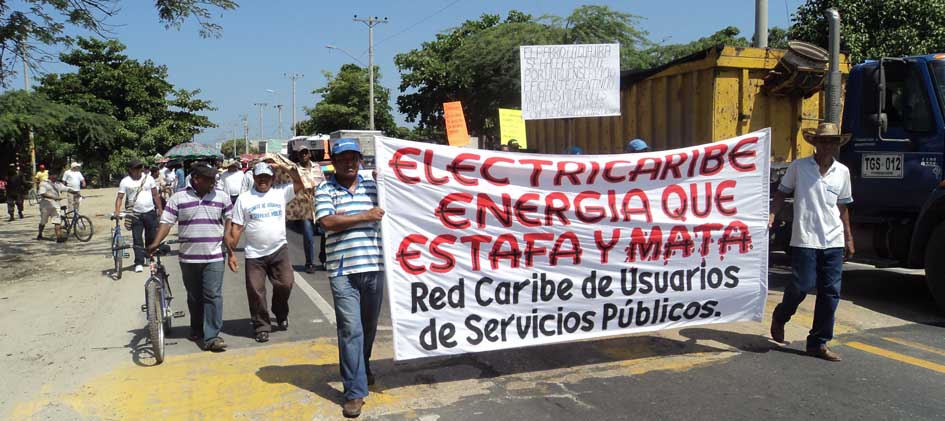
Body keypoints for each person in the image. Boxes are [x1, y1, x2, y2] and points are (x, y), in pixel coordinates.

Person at [769, 122, 855, 362]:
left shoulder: (843, 172)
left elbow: (843, 206)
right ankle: (781, 315)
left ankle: (818, 342)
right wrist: (773, 214)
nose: (828, 146)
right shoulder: (799, 167)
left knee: (831, 292)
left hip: (833, 239)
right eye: (824, 141)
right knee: (802, 286)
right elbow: (782, 192)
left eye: (833, 142)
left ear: (837, 145)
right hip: (806, 238)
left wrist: (848, 236)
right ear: (815, 144)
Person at [314, 138, 385, 418]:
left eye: (354, 157)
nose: (349, 163)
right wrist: (366, 215)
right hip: (343, 272)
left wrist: (388, 181)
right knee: (350, 330)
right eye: (343, 158)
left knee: (368, 327)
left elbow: (399, 203)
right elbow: (327, 222)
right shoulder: (324, 188)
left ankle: (362, 365)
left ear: (360, 160)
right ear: (334, 161)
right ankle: (354, 392)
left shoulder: (374, 186)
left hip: (373, 268)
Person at [149, 162, 232, 352]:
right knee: (194, 297)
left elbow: (230, 218)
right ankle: (196, 327)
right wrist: (155, 242)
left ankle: (212, 336)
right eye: (209, 179)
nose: (213, 182)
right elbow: (167, 222)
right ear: (196, 179)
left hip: (215, 255)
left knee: (212, 295)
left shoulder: (222, 196)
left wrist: (228, 239)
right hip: (189, 258)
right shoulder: (178, 198)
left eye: (213, 179)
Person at [225, 162, 304, 343]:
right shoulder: (244, 199)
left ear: (272, 178)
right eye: (259, 177)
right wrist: (231, 254)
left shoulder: (280, 193)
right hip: (254, 255)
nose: (263, 180)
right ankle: (261, 326)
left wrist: (284, 166)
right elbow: (236, 228)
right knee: (255, 291)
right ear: (253, 178)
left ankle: (280, 312)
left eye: (266, 177)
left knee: (286, 284)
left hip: (279, 250)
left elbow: (300, 181)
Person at [115, 160, 163, 273]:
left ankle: (149, 256)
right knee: (137, 238)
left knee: (151, 236)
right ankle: (139, 262)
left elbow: (155, 194)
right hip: (135, 213)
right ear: (130, 170)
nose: (138, 170)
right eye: (136, 168)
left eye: (140, 168)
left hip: (150, 212)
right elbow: (120, 197)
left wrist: (160, 209)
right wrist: (117, 210)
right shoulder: (125, 182)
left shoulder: (149, 179)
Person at [287, 144, 326, 273]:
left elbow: (324, 183)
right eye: (301, 153)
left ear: (309, 154)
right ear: (298, 156)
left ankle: (323, 256)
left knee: (324, 232)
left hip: (319, 203)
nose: (303, 155)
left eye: (305, 153)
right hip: (304, 206)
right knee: (308, 235)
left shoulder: (317, 167)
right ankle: (309, 263)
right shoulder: (294, 169)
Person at [37, 170, 75, 242]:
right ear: (50, 175)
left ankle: (59, 237)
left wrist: (75, 192)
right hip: (45, 206)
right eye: (54, 175)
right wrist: (53, 197)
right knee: (43, 221)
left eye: (56, 175)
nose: (56, 176)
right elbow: (42, 193)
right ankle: (40, 234)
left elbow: (66, 188)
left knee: (57, 221)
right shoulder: (44, 183)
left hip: (56, 205)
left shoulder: (58, 184)